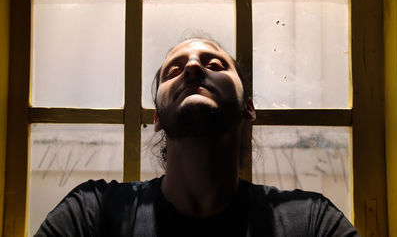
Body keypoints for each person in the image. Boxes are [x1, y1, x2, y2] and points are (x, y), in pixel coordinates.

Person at [35, 38, 360, 237]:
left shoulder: (309, 220)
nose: (192, 67)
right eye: (174, 71)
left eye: (214, 63)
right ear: (158, 118)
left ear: (248, 107)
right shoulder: (94, 212)